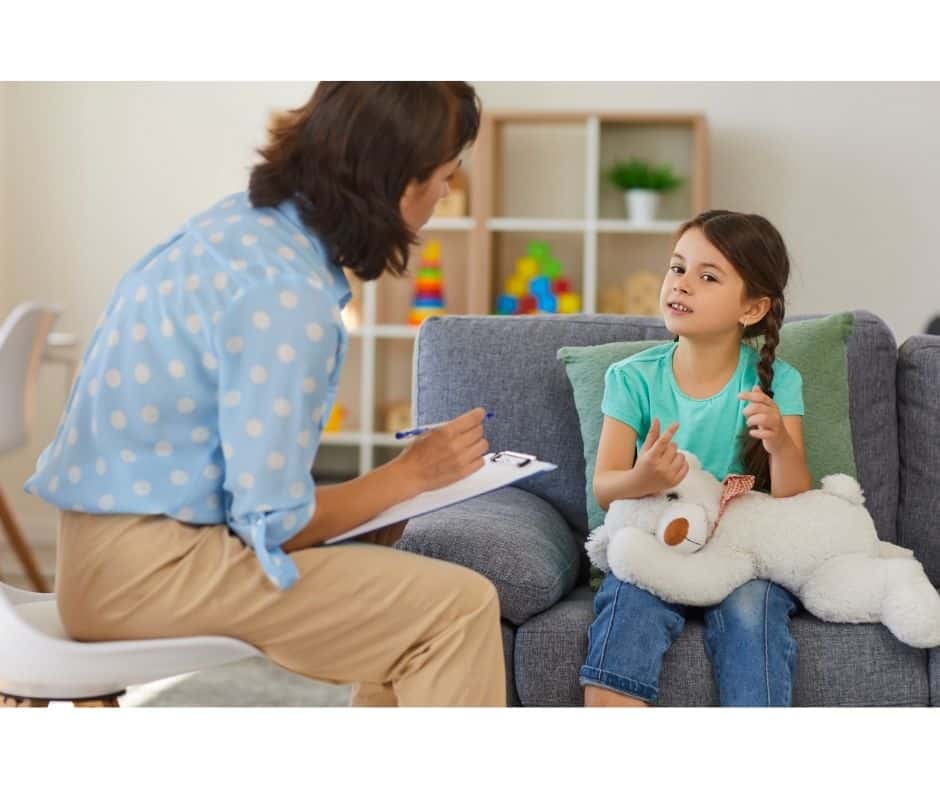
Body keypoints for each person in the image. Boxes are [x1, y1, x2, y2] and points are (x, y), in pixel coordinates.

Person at [25, 82, 506, 707]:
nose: (446, 194)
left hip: (104, 560)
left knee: (411, 615)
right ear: (399, 181)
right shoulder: (288, 297)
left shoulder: (238, 231)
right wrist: (413, 475)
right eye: (446, 176)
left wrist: (378, 505)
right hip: (150, 575)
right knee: (459, 609)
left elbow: (241, 495)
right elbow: (276, 521)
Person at [581, 210, 812, 707]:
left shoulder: (778, 382)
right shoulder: (632, 378)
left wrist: (779, 444)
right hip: (654, 542)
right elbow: (605, 486)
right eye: (677, 268)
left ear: (751, 308)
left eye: (707, 276)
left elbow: (795, 497)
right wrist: (642, 477)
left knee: (755, 610)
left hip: (740, 557)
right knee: (626, 603)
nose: (681, 285)